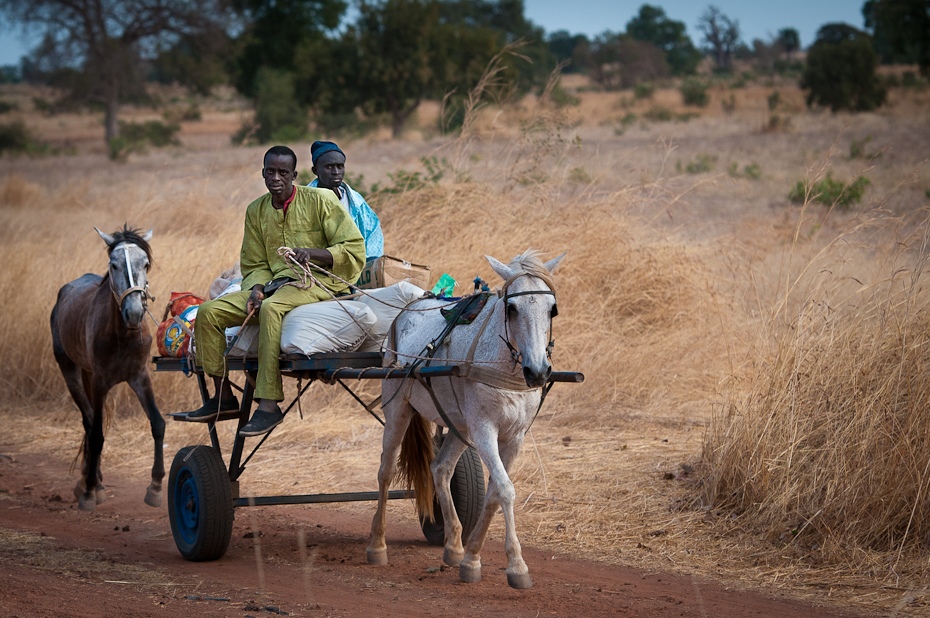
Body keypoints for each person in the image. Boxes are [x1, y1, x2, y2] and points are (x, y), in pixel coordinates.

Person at [186, 145, 366, 436]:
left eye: (284, 172)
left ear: (295, 175)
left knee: (271, 309)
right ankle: (223, 398)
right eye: (271, 172)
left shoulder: (320, 200)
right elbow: (254, 262)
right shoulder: (255, 210)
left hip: (318, 281)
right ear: (263, 173)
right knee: (208, 312)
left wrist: (314, 253)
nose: (276, 178)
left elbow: (354, 247)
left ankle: (269, 405)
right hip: (273, 285)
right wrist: (256, 288)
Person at [307, 140, 383, 261]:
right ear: (315, 170)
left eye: (340, 166)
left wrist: (365, 264)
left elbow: (372, 232)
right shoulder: (304, 201)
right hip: (315, 268)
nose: (336, 172)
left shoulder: (355, 201)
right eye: (329, 167)